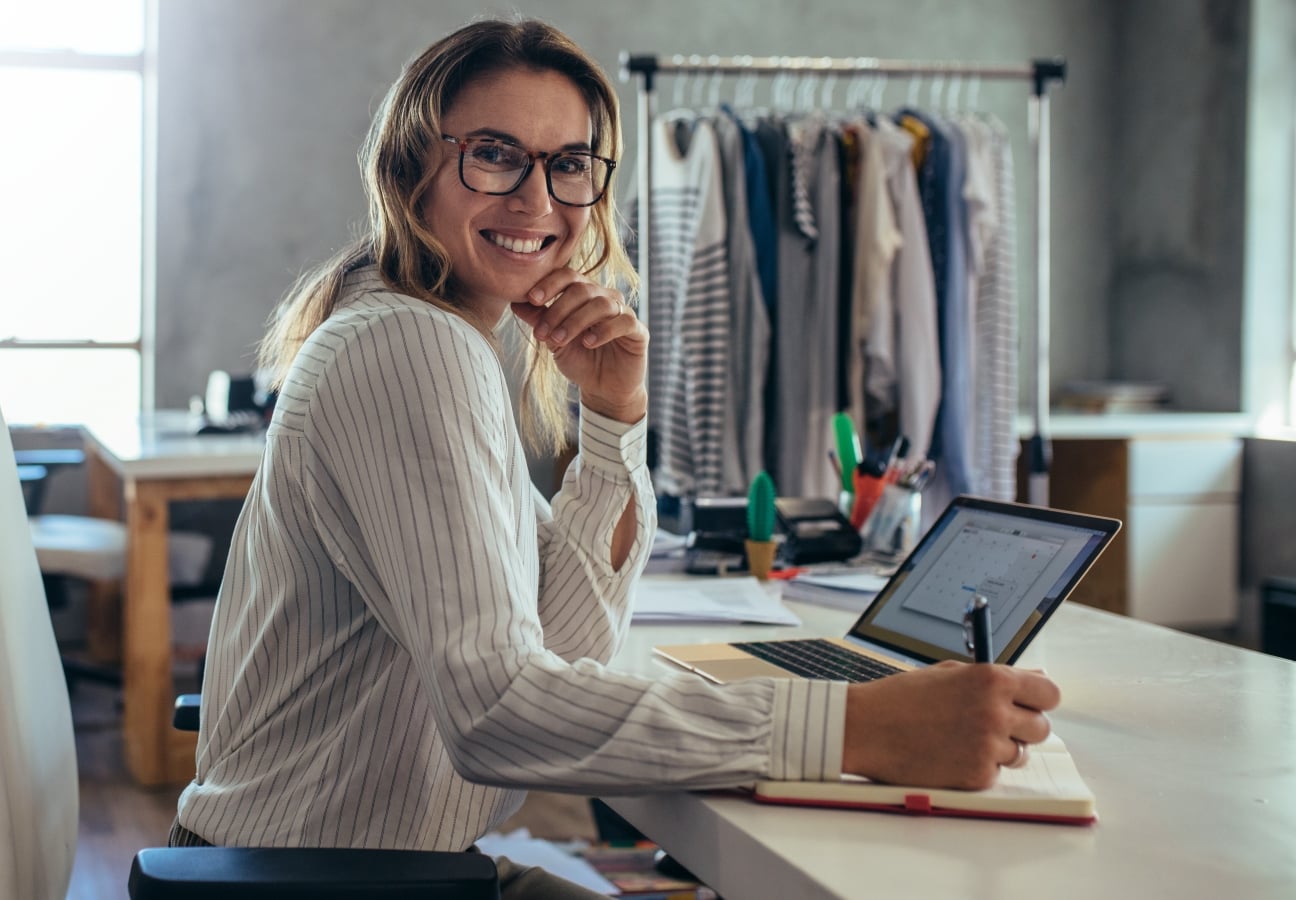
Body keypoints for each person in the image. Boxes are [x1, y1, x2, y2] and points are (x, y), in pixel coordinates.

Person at [173, 17, 1060, 898]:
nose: (537, 201)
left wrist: (613, 413)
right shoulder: (410, 347)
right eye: (494, 153)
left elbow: (568, 651)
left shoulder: (432, 339)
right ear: (410, 171)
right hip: (322, 887)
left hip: (374, 874)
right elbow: (498, 714)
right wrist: (855, 724)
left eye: (567, 164)